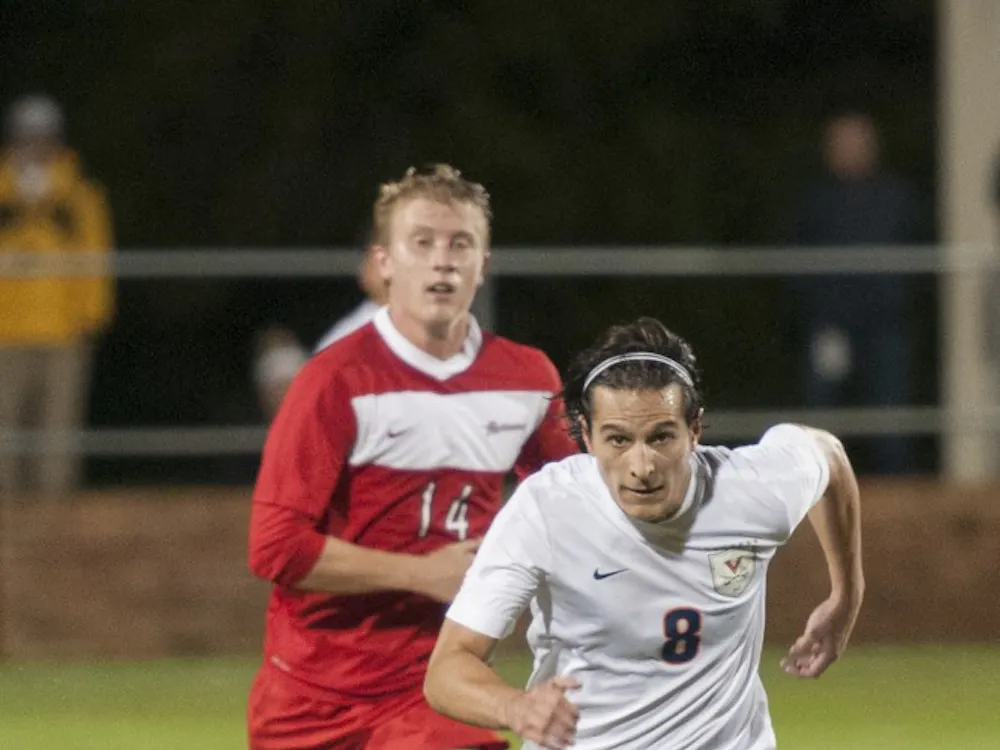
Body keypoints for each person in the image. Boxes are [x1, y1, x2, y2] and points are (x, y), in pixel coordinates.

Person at [246, 163, 578, 750]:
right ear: (384, 264)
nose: (442, 260)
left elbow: (577, 511)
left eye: (461, 244)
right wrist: (422, 574)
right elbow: (275, 546)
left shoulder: (527, 378)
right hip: (312, 691)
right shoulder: (334, 380)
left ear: (484, 264)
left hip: (434, 685)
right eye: (421, 243)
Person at [424, 317, 865, 750]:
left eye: (661, 437)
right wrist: (515, 708)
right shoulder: (546, 511)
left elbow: (828, 455)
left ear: (694, 430)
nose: (642, 465)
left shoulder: (749, 490)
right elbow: (447, 668)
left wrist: (846, 595)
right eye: (618, 440)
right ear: (586, 436)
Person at [788, 111, 924, 475]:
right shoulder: (814, 201)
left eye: (857, 143)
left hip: (884, 323)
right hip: (830, 324)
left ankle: (896, 494)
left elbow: (916, 251)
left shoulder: (896, 197)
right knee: (822, 412)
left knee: (890, 411)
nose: (849, 151)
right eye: (841, 144)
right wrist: (817, 310)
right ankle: (819, 487)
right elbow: (796, 259)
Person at [0, 94, 114, 498]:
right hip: (5, 331)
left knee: (58, 430)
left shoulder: (80, 196)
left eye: (43, 135)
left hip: (63, 329)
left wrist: (92, 317)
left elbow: (96, 257)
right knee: (4, 427)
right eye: (27, 135)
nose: (35, 144)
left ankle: (54, 517)